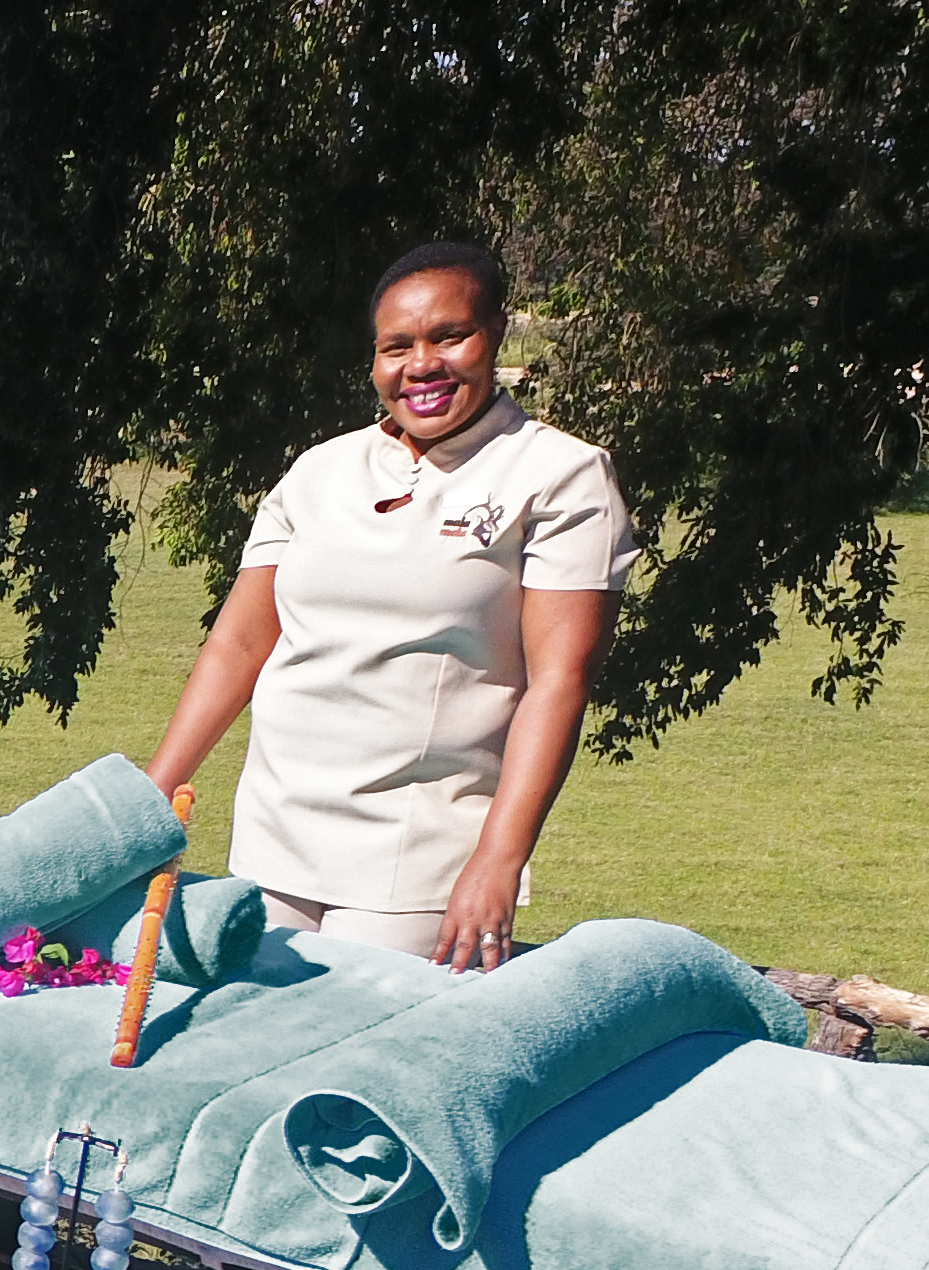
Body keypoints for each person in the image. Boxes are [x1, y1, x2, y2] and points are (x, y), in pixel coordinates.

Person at [144, 240, 633, 970]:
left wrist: (498, 861)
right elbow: (239, 646)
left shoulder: (562, 475)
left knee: (345, 1062)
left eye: (450, 336)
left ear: (496, 333)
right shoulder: (319, 470)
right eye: (396, 346)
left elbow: (559, 681)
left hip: (418, 861)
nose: (421, 365)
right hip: (274, 840)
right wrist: (149, 803)